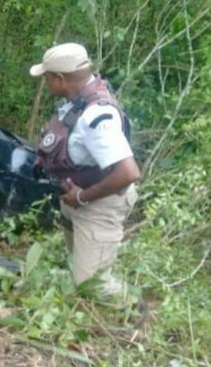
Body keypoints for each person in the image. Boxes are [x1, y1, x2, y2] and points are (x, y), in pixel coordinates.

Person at [30, 43, 141, 308]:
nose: (45, 83)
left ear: (61, 79)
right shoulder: (76, 101)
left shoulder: (96, 117)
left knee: (93, 284)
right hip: (79, 199)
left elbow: (128, 172)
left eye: (47, 77)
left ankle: (137, 310)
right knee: (80, 264)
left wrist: (81, 196)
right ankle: (89, 311)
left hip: (98, 203)